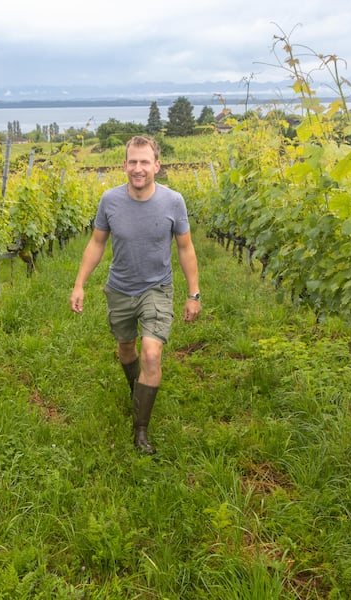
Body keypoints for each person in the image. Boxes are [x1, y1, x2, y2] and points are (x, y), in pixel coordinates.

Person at [69, 135, 201, 455]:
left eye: (145, 162)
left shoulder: (173, 202)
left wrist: (193, 294)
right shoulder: (109, 201)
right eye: (132, 162)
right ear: (124, 165)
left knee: (152, 355)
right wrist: (79, 284)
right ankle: (137, 389)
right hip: (120, 289)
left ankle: (140, 429)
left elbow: (185, 247)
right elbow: (97, 243)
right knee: (126, 348)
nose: (138, 168)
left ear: (157, 165)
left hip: (157, 288)